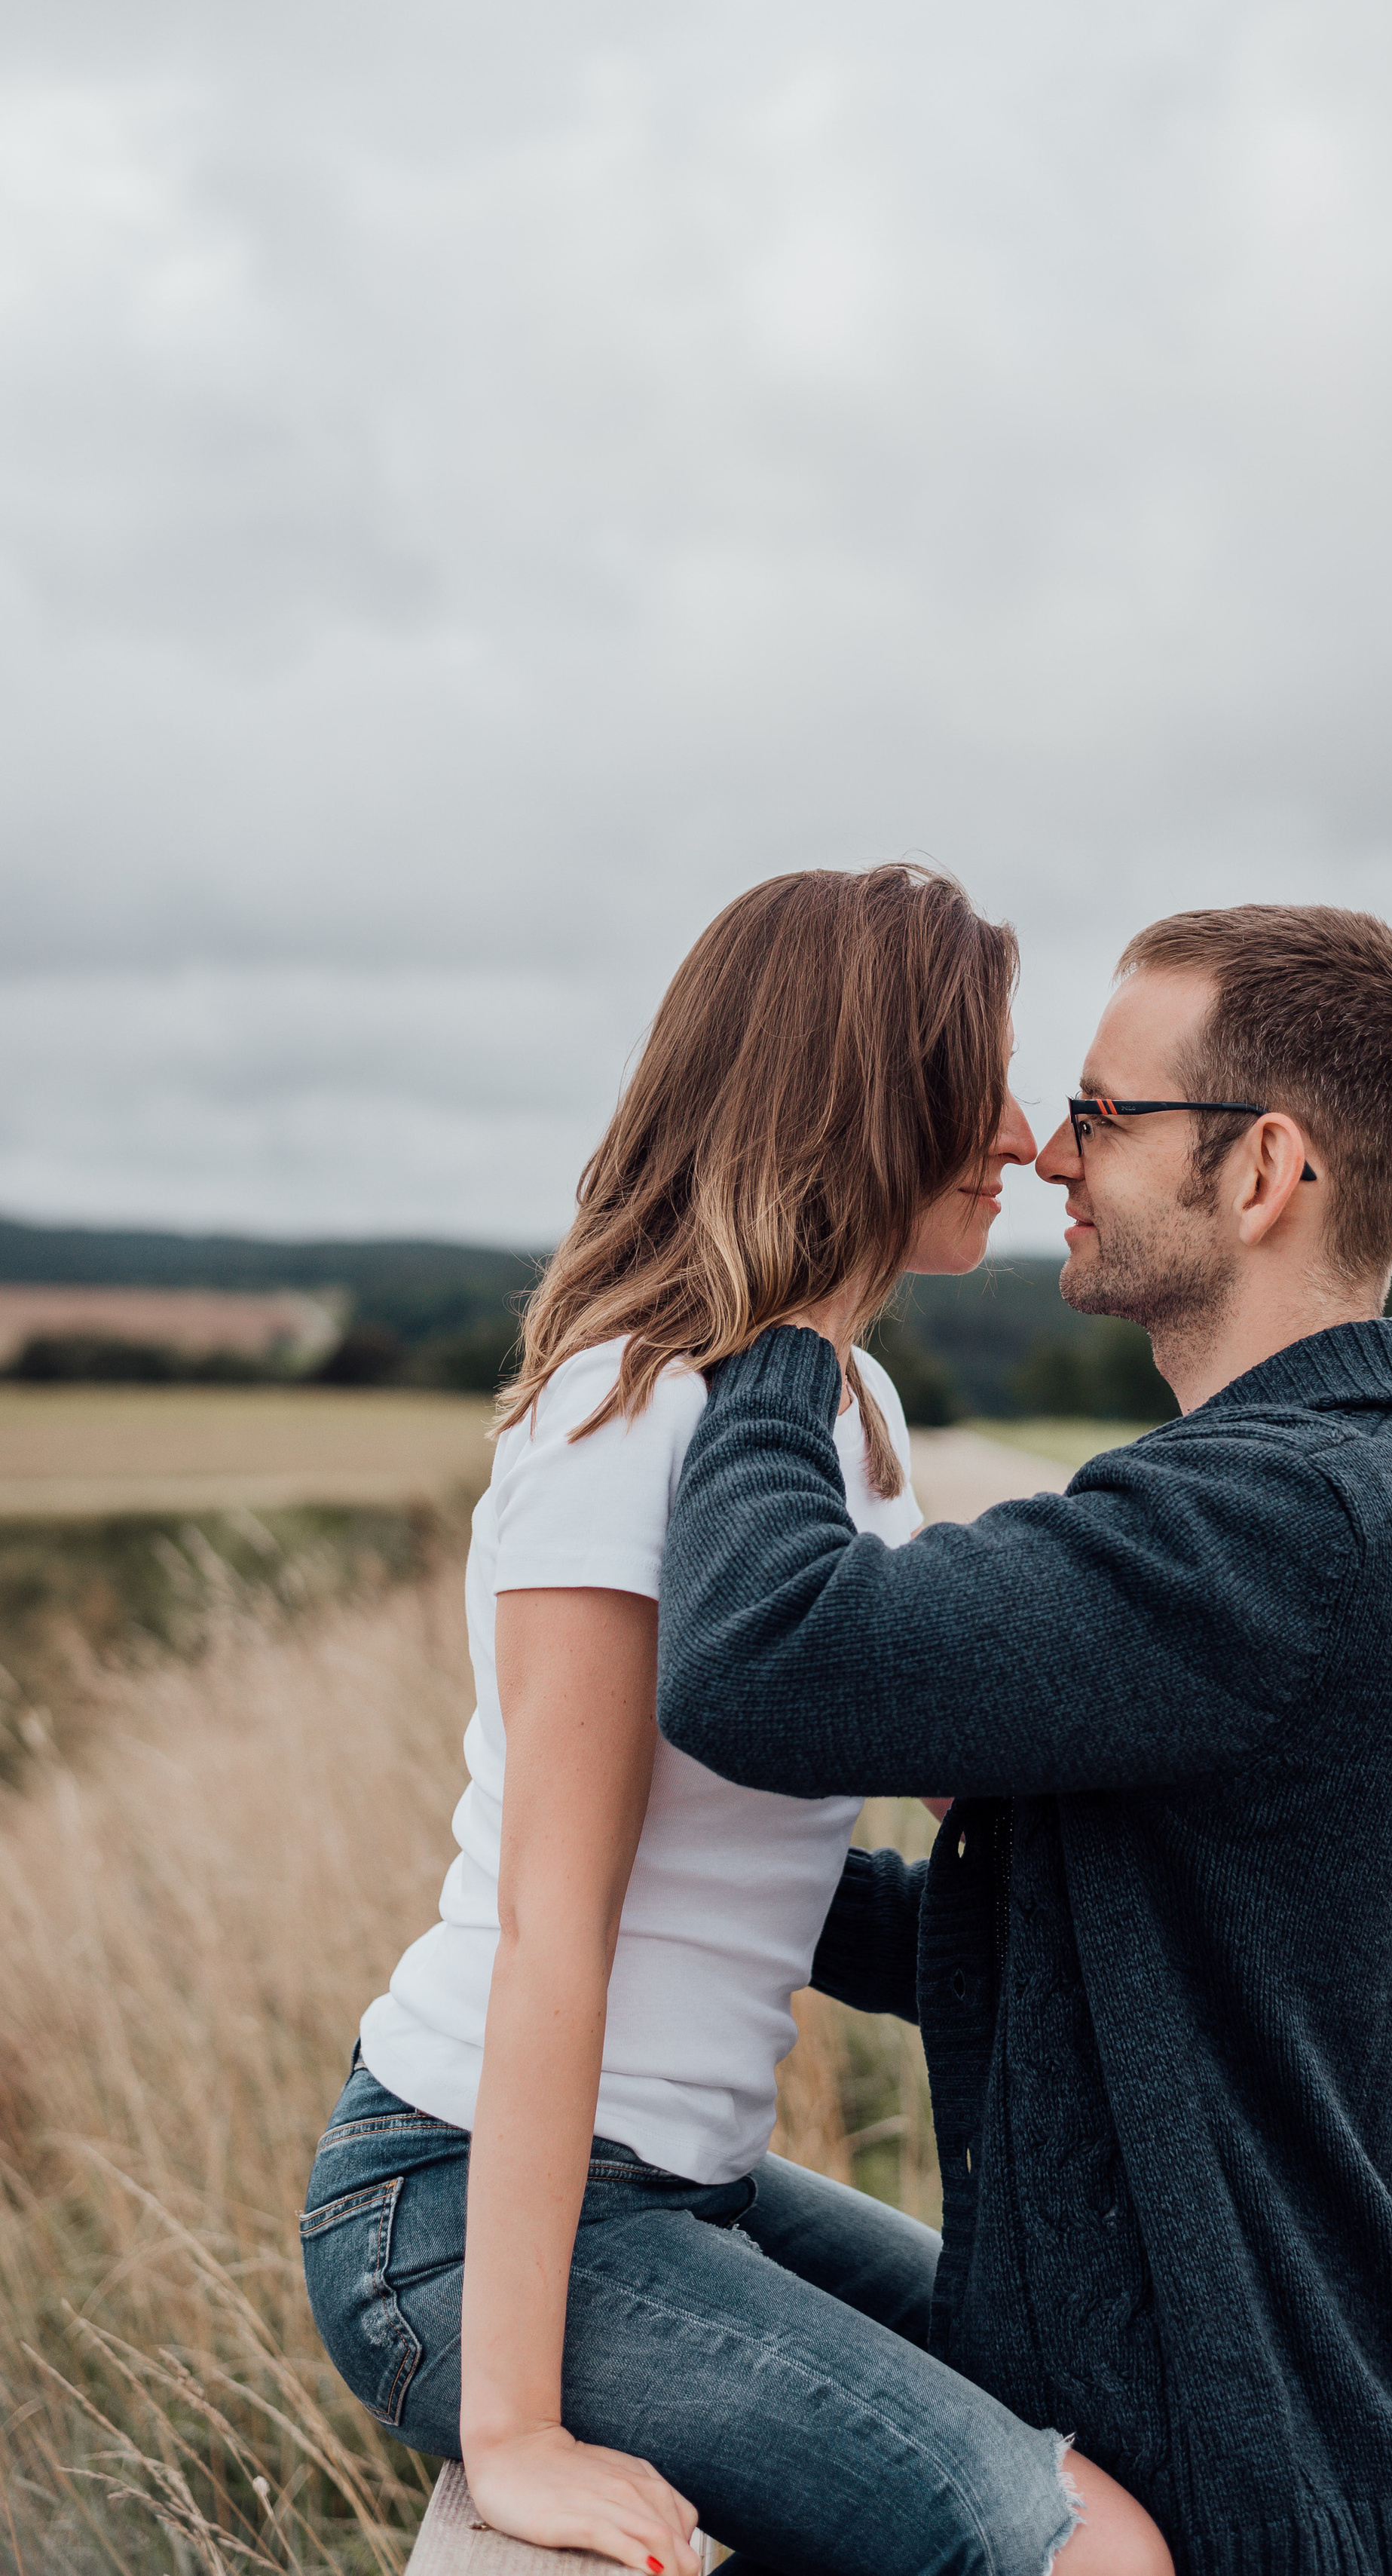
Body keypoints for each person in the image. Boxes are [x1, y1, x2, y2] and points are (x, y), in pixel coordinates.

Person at [301, 865, 1172, 2576]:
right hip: (449, 2207)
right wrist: (516, 2433)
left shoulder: (848, 1407)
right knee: (1084, 2554)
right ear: (858, 1101)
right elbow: (555, 1925)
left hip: (685, 2189)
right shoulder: (622, 1413)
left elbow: (931, 1759)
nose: (1018, 1136)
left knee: (1084, 2410)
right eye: (976, 1085)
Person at [656, 903, 1392, 2576]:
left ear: (1261, 1170)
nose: (1052, 1152)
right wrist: (677, 1868)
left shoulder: (1287, 1519)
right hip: (1262, 2461)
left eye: (1105, 1113)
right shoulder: (1334, 1493)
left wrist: (789, 1329)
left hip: (1255, 2502)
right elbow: (1069, 1946)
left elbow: (766, 1651)